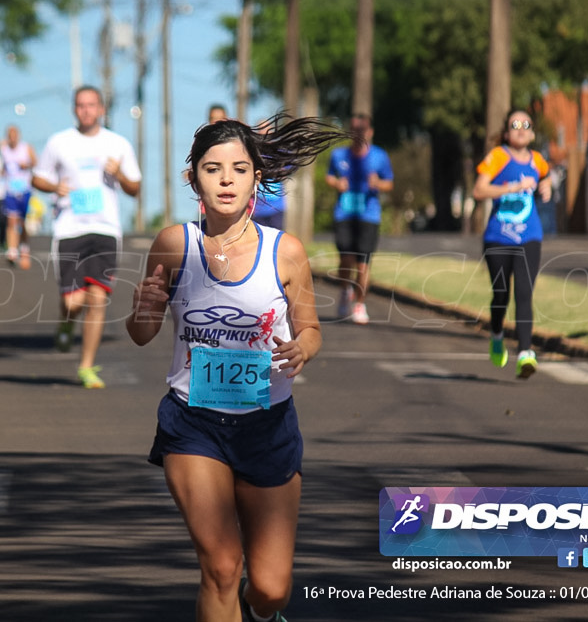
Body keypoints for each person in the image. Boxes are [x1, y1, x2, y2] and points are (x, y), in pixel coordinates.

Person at [127, 114, 345, 622]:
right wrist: (143, 307)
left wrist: (303, 349)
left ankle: (260, 613)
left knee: (269, 588)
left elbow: (310, 328)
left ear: (256, 178)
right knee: (222, 566)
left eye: (239, 169)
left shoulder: (284, 252)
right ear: (194, 179)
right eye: (213, 168)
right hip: (193, 423)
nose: (226, 179)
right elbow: (143, 334)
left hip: (267, 427)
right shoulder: (174, 244)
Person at [32, 85, 141, 389]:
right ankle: (66, 322)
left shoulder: (117, 144)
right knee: (74, 301)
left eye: (92, 105)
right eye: (81, 105)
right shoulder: (59, 142)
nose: (86, 110)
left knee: (98, 298)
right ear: (74, 109)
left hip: (105, 229)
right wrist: (54, 188)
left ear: (102, 109)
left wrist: (118, 174)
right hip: (69, 228)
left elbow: (135, 188)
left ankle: (87, 366)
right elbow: (37, 177)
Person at [472, 109, 552, 379]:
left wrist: (547, 186)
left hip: (530, 236)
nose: (520, 128)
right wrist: (512, 188)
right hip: (498, 237)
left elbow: (547, 175)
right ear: (506, 132)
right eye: (514, 124)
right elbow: (478, 190)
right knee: (501, 294)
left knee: (525, 293)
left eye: (525, 124)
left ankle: (526, 353)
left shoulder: (537, 160)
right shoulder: (498, 157)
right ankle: (496, 335)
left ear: (532, 132)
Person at [324, 113, 394, 324]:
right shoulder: (338, 155)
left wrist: (378, 184)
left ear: (369, 132)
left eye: (362, 130)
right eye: (354, 130)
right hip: (344, 213)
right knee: (346, 259)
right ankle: (345, 290)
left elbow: (389, 183)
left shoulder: (379, 156)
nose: (358, 134)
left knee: (363, 264)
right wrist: (337, 184)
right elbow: (329, 176)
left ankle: (360, 303)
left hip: (368, 215)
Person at [0, 124, 38, 270]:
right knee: (11, 220)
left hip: (24, 190)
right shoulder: (4, 150)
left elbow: (35, 162)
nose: (12, 137)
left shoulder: (26, 147)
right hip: (10, 190)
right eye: (10, 134)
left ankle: (24, 247)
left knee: (22, 222)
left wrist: (26, 164)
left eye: (14, 134)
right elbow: (4, 167)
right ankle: (12, 250)